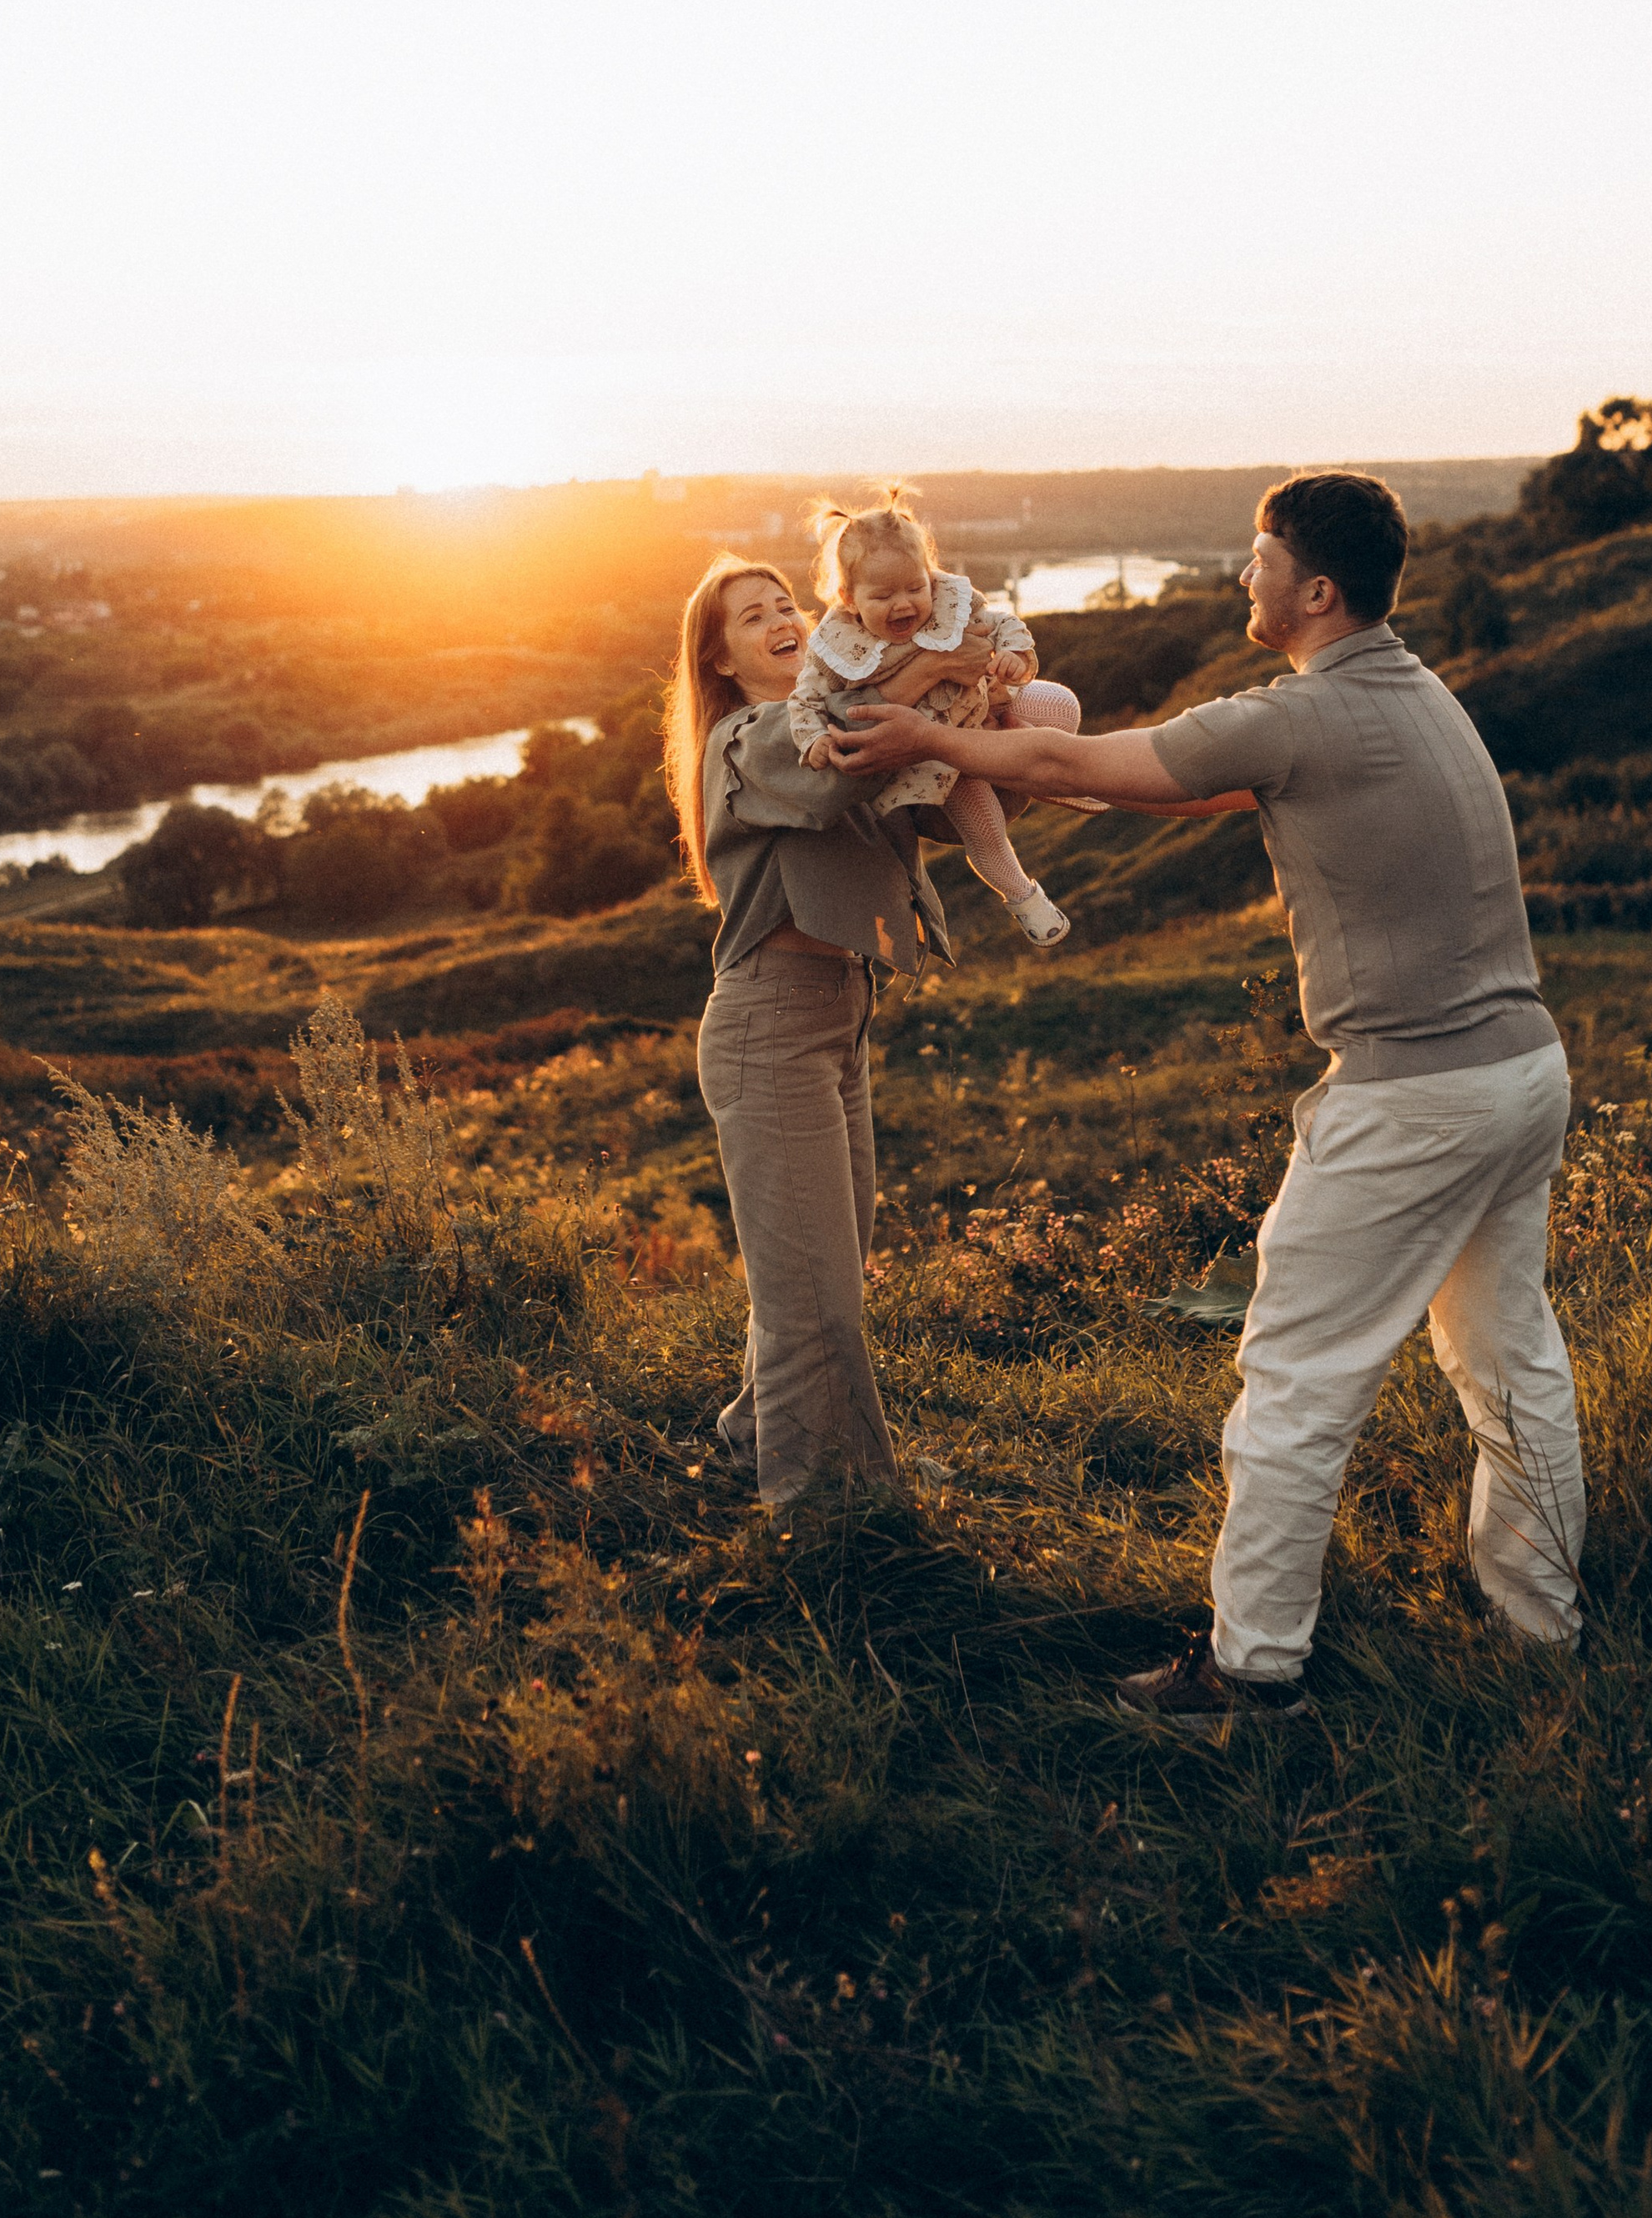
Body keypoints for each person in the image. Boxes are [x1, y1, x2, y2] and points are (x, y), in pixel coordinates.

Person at [829, 470, 1582, 1724]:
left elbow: (1088, 754)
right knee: (1513, 1367)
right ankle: (1542, 1629)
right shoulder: (1415, 694)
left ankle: (1252, 1674)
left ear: (1316, 590)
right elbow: (1129, 777)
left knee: (1294, 1373)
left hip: (1413, 1100)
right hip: (1522, 1075)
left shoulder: (1298, 714)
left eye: (1261, 558)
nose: (1246, 576)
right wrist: (1016, 754)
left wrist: (933, 742)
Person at [661, 553, 990, 1505]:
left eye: (786, 603)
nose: (779, 618)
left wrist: (988, 708)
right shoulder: (747, 736)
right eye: (751, 615)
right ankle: (827, 1512)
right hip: (770, 1021)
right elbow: (831, 768)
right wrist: (924, 673)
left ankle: (756, 1431)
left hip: (837, 1016)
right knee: (816, 1298)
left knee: (819, 1271)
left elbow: (927, 799)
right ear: (720, 659)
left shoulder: (854, 713)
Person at [788, 484, 1086, 945]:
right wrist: (814, 740)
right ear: (848, 598)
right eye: (883, 595)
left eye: (914, 587)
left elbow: (1002, 623)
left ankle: (1030, 758)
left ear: (930, 576)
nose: (904, 603)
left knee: (1063, 707)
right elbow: (805, 700)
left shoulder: (950, 600)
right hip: (934, 753)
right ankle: (1023, 896)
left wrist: (1014, 656)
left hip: (981, 702)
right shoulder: (838, 643)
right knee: (983, 825)